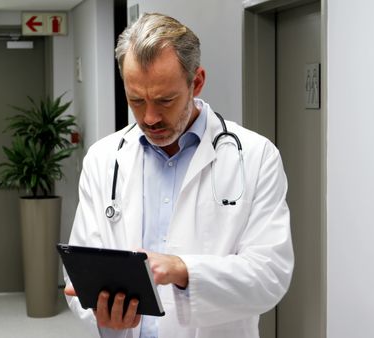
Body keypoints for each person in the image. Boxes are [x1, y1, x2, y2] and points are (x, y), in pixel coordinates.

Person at [64, 12, 294, 338]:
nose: (150, 116)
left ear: (196, 82)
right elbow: (80, 271)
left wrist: (184, 270)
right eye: (136, 100)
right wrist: (101, 313)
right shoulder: (103, 160)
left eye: (165, 100)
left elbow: (271, 275)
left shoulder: (256, 157)